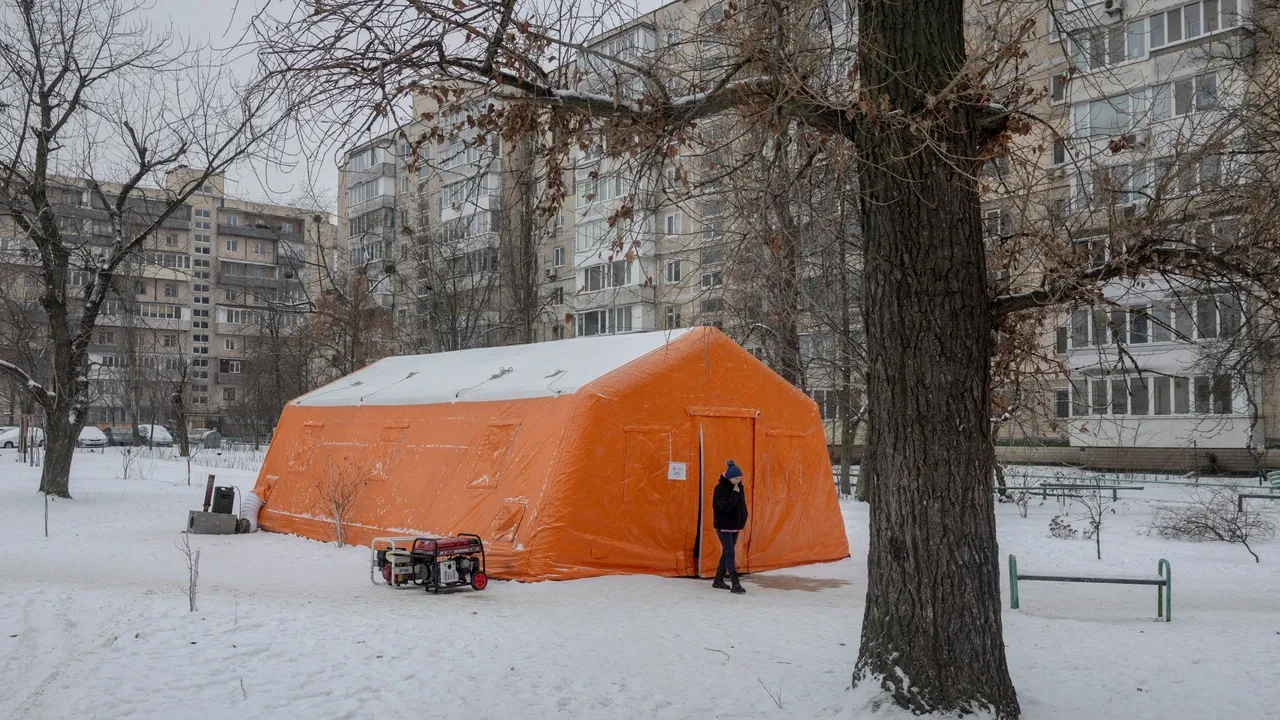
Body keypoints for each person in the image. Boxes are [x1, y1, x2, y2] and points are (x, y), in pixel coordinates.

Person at [711, 459, 748, 594]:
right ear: (729, 477)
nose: (738, 480)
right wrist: (734, 493)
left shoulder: (739, 486)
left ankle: (718, 580)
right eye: (736, 478)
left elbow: (741, 504)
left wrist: (743, 518)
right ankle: (735, 583)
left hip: (735, 525)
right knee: (730, 553)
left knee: (726, 553)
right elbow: (725, 506)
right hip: (724, 525)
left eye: (740, 478)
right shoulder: (720, 488)